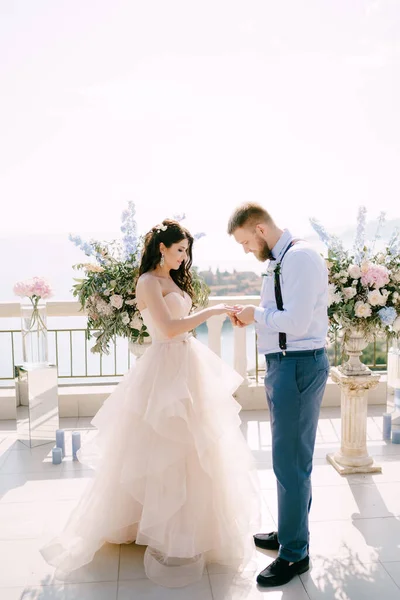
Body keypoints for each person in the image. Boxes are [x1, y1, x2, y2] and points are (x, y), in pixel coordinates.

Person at [40, 219, 260, 588]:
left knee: (195, 448)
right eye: (179, 250)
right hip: (163, 366)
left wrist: (211, 310)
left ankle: (194, 527)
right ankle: (152, 524)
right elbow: (169, 328)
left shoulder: (173, 279)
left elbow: (179, 324)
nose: (183, 257)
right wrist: (214, 310)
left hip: (187, 366)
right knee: (161, 446)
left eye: (187, 251)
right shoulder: (147, 282)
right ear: (162, 248)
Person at [227, 203, 329, 588]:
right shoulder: (280, 259)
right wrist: (256, 317)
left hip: (298, 366)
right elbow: (280, 316)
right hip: (286, 365)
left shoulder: (299, 258)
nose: (245, 249)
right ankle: (291, 530)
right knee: (288, 460)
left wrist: (257, 315)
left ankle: (294, 554)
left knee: (290, 463)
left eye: (245, 241)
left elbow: (297, 323)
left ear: (260, 229)